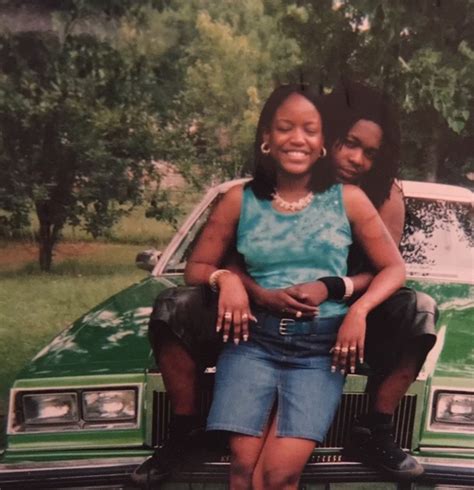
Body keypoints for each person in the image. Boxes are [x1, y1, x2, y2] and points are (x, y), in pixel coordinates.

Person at [131, 82, 436, 486]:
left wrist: (344, 299)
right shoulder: (242, 199)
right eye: (349, 143)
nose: (356, 158)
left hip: (328, 339)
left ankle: (375, 429)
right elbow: (209, 263)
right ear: (267, 139)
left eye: (308, 130)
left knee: (276, 473)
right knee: (243, 468)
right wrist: (235, 284)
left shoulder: (369, 198)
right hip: (253, 335)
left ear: (318, 139)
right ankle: (184, 430)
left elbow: (389, 270)